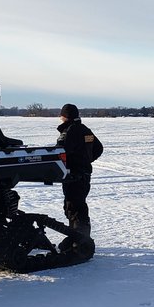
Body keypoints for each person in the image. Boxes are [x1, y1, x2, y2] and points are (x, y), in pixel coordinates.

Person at [56, 103, 100, 252]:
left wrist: (75, 164)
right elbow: (98, 148)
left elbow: (62, 151)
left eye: (61, 115)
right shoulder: (85, 130)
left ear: (65, 116)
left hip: (73, 175)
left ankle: (80, 241)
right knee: (78, 206)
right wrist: (86, 161)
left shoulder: (70, 131)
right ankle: (77, 238)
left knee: (74, 207)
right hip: (84, 174)